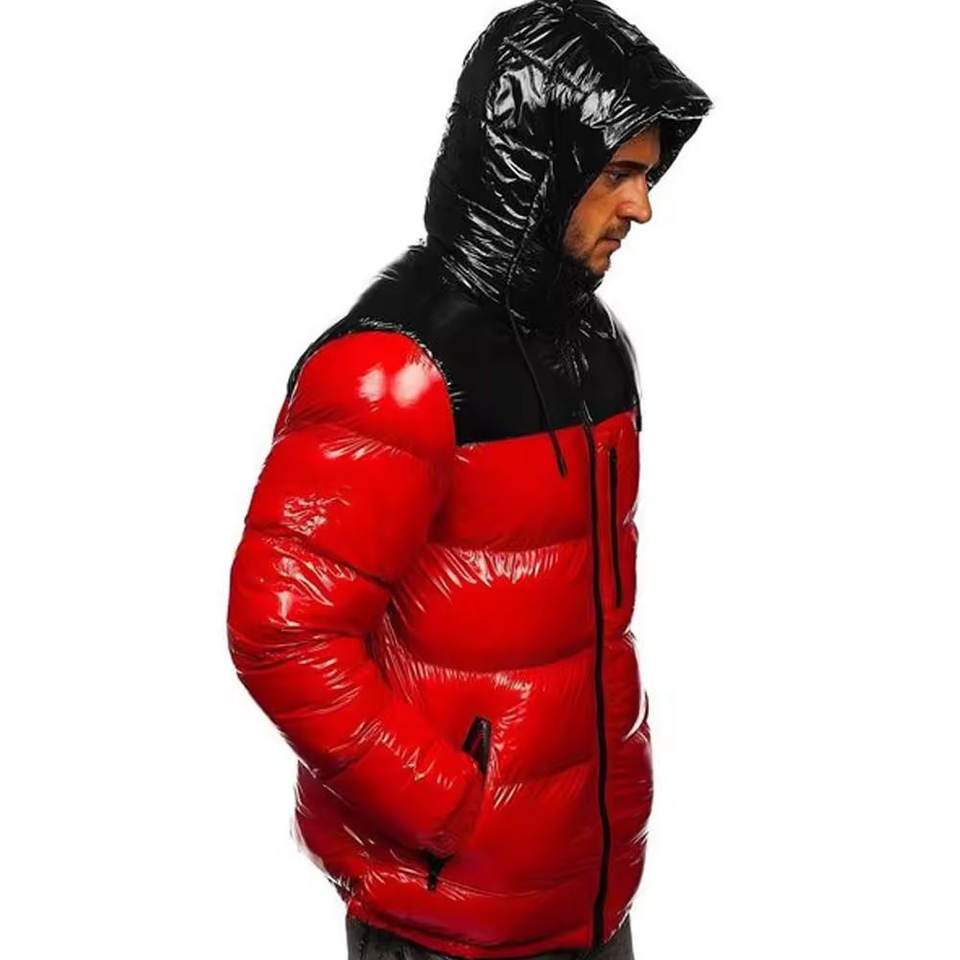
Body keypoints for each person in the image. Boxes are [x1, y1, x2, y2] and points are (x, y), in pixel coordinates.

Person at [226, 2, 712, 957]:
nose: (642, 208)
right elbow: (282, 631)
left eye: (647, 176)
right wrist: (448, 808)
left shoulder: (595, 346)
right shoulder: (394, 370)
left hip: (585, 893)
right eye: (617, 174)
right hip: (444, 920)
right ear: (539, 167)